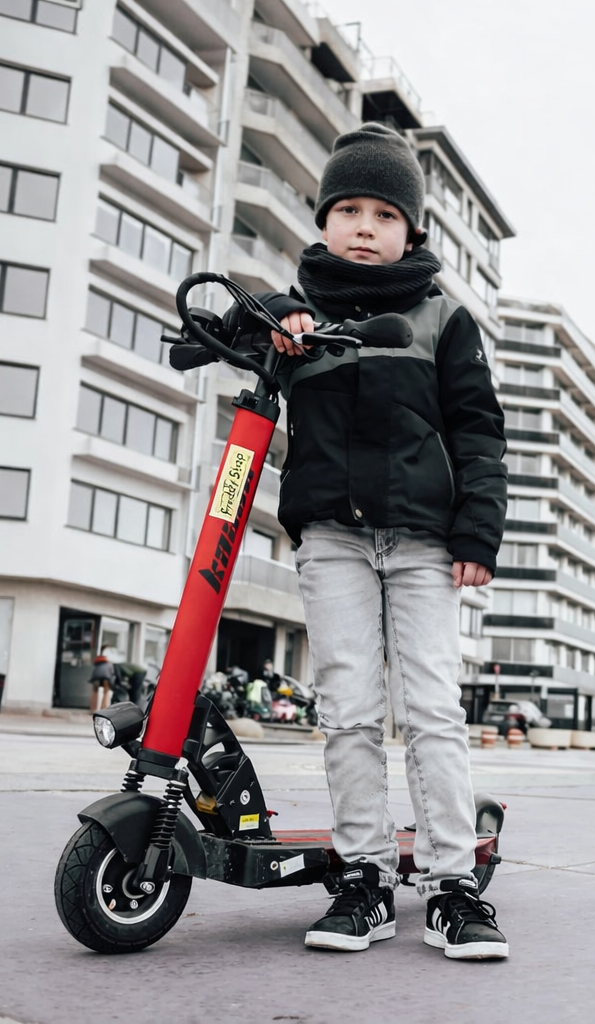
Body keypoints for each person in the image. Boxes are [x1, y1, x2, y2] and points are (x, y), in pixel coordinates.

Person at [177, 123, 510, 959]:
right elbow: (221, 335)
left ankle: (451, 886)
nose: (366, 227)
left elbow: (479, 433)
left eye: (385, 214)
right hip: (332, 538)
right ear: (324, 220)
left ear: (413, 230)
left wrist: (478, 531)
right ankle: (361, 880)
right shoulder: (295, 315)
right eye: (349, 209)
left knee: (432, 711)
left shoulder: (443, 319)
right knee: (350, 711)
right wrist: (272, 321)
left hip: (428, 542)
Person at [89, 645, 116, 713]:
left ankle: (93, 709)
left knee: (95, 693)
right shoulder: (110, 660)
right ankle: (103, 709)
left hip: (96, 677)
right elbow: (111, 671)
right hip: (106, 678)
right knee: (106, 693)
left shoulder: (98, 659)